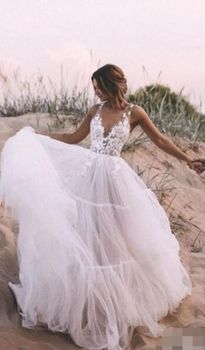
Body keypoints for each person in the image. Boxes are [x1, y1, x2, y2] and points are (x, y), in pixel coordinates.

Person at [0, 64, 192, 350]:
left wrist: (187, 159)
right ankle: (89, 306)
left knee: (117, 244)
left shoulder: (135, 112)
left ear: (111, 84)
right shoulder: (94, 111)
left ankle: (115, 307)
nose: (96, 92)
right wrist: (36, 137)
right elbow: (73, 139)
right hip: (88, 180)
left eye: (98, 86)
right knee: (89, 239)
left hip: (115, 184)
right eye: (94, 88)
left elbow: (160, 139)